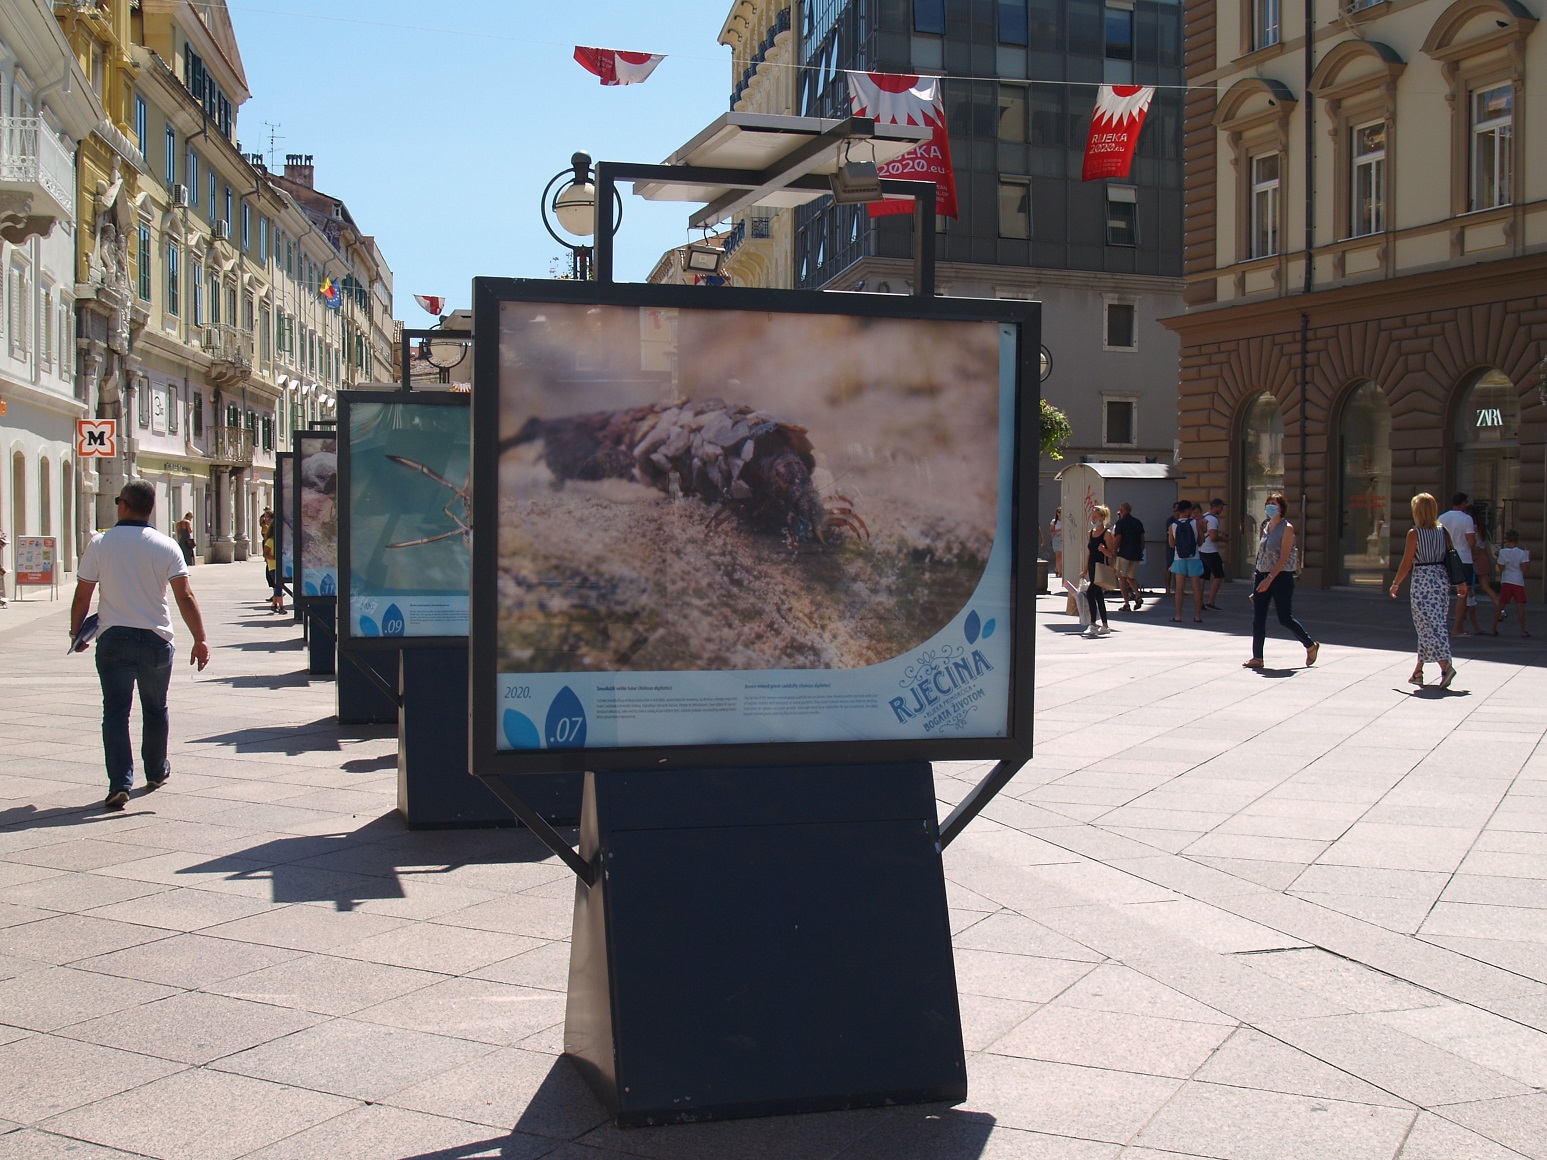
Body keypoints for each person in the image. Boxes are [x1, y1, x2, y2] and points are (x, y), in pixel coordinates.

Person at [70, 480, 210, 810]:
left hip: (113, 638)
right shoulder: (166, 546)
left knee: (116, 712)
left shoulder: (100, 544)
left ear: (124, 506)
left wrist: (76, 632)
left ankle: (119, 783)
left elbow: (83, 593)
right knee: (155, 707)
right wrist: (200, 639)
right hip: (156, 640)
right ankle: (157, 771)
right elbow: (184, 595)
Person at [1389, 492, 1464, 688]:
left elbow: (1406, 563)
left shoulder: (1414, 533)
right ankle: (1418, 671)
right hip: (1441, 579)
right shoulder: (1443, 531)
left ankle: (1445, 666)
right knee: (1433, 623)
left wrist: (1396, 583)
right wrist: (1460, 582)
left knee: (1427, 626)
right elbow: (1452, 556)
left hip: (1423, 580)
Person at [1243, 491, 1319, 669]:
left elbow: (1284, 557)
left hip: (1280, 576)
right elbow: (1261, 553)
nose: (1270, 506)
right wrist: (1258, 575)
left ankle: (1310, 645)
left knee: (1284, 617)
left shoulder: (1287, 528)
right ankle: (1257, 657)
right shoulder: (1265, 525)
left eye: (1274, 504)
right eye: (1269, 503)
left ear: (1281, 508)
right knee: (1258, 617)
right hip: (1262, 574)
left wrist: (1269, 579)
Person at [1436, 492, 1477, 636]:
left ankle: (1441, 626)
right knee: (1462, 593)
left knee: (1443, 593)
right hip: (1463, 558)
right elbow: (1471, 542)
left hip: (1445, 557)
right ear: (1463, 503)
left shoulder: (1442, 518)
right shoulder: (1467, 519)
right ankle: (1457, 628)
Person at [1080, 504, 1117, 638]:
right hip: (1092, 567)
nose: (1093, 518)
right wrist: (1084, 570)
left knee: (1090, 593)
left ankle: (1093, 624)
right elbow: (1089, 553)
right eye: (1092, 516)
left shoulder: (1107, 533)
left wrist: (1103, 550)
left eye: (1096, 516)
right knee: (1098, 596)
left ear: (1102, 517)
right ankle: (1105, 625)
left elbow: (1111, 554)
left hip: (1100, 567)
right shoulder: (1091, 532)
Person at [1169, 500, 1206, 623]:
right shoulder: (1195, 523)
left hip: (1179, 558)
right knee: (1196, 587)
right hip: (1194, 557)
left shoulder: (1173, 525)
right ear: (1187, 510)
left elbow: (1171, 544)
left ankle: (1178, 615)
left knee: (1179, 588)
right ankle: (1197, 615)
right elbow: (1201, 539)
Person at [1491, 529, 1530, 638]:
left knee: (1500, 606)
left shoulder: (1503, 552)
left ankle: (1493, 629)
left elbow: (1501, 568)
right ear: (1517, 540)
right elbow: (1525, 569)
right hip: (1518, 581)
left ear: (1507, 539)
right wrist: (1528, 560)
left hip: (1507, 581)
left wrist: (1500, 557)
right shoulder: (1522, 553)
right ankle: (1523, 630)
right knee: (1520, 606)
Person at [1466, 504, 1497, 633]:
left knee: (1469, 589)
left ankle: (1464, 621)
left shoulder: (1472, 527)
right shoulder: (1483, 527)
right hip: (1484, 556)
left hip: (1475, 557)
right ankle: (1500, 607)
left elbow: (1471, 544)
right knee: (1485, 586)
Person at [1111, 501, 1145, 610]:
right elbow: (1142, 539)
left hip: (1124, 554)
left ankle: (1126, 603)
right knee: (1130, 577)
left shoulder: (1120, 523)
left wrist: (1113, 552)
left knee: (1122, 579)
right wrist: (1140, 551)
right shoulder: (1138, 522)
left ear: (1121, 511)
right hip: (1135, 554)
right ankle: (1138, 595)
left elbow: (1118, 539)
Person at [1201, 498, 1229, 610]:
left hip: (1202, 549)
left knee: (1202, 577)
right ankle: (1210, 601)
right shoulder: (1213, 519)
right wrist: (1223, 539)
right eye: (1221, 507)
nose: (1222, 509)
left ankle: (1199, 601)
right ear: (1216, 507)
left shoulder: (1204, 516)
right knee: (1219, 575)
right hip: (1210, 551)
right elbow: (1213, 537)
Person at [1048, 508, 1064, 580]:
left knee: (1063, 557)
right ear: (1057, 513)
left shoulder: (1066, 521)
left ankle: (1057, 569)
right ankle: (1060, 572)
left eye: (1061, 512)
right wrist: (1058, 531)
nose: (1060, 513)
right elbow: (1051, 532)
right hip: (1057, 538)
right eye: (1059, 512)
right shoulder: (1054, 521)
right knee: (1058, 556)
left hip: (1064, 539)